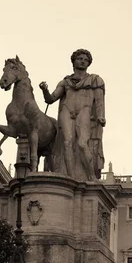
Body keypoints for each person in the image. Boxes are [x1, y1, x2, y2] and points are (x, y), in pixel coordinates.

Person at [39, 49, 105, 181]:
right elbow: (50, 99)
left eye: (86, 60)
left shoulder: (95, 80)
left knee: (82, 143)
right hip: (67, 111)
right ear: (74, 61)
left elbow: (99, 100)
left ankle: (91, 176)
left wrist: (100, 115)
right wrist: (44, 90)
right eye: (80, 58)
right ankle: (70, 178)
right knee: (67, 143)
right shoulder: (65, 82)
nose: (83, 61)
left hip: (84, 110)